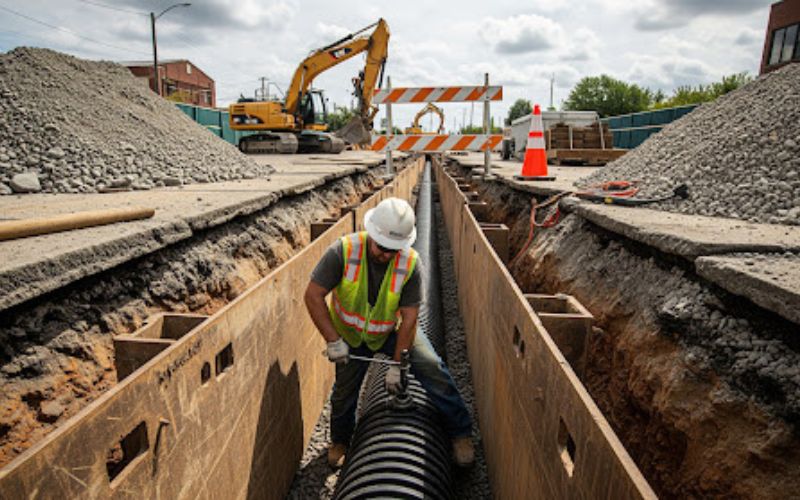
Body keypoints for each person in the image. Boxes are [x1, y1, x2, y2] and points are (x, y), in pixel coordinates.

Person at [304, 197, 475, 469]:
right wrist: (333, 341)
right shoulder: (343, 251)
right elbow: (313, 295)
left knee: (432, 367)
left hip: (389, 331)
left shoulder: (410, 264)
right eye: (382, 247)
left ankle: (460, 433)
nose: (386, 254)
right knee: (344, 393)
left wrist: (397, 365)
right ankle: (340, 441)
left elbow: (409, 319)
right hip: (349, 335)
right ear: (371, 234)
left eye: (393, 250)